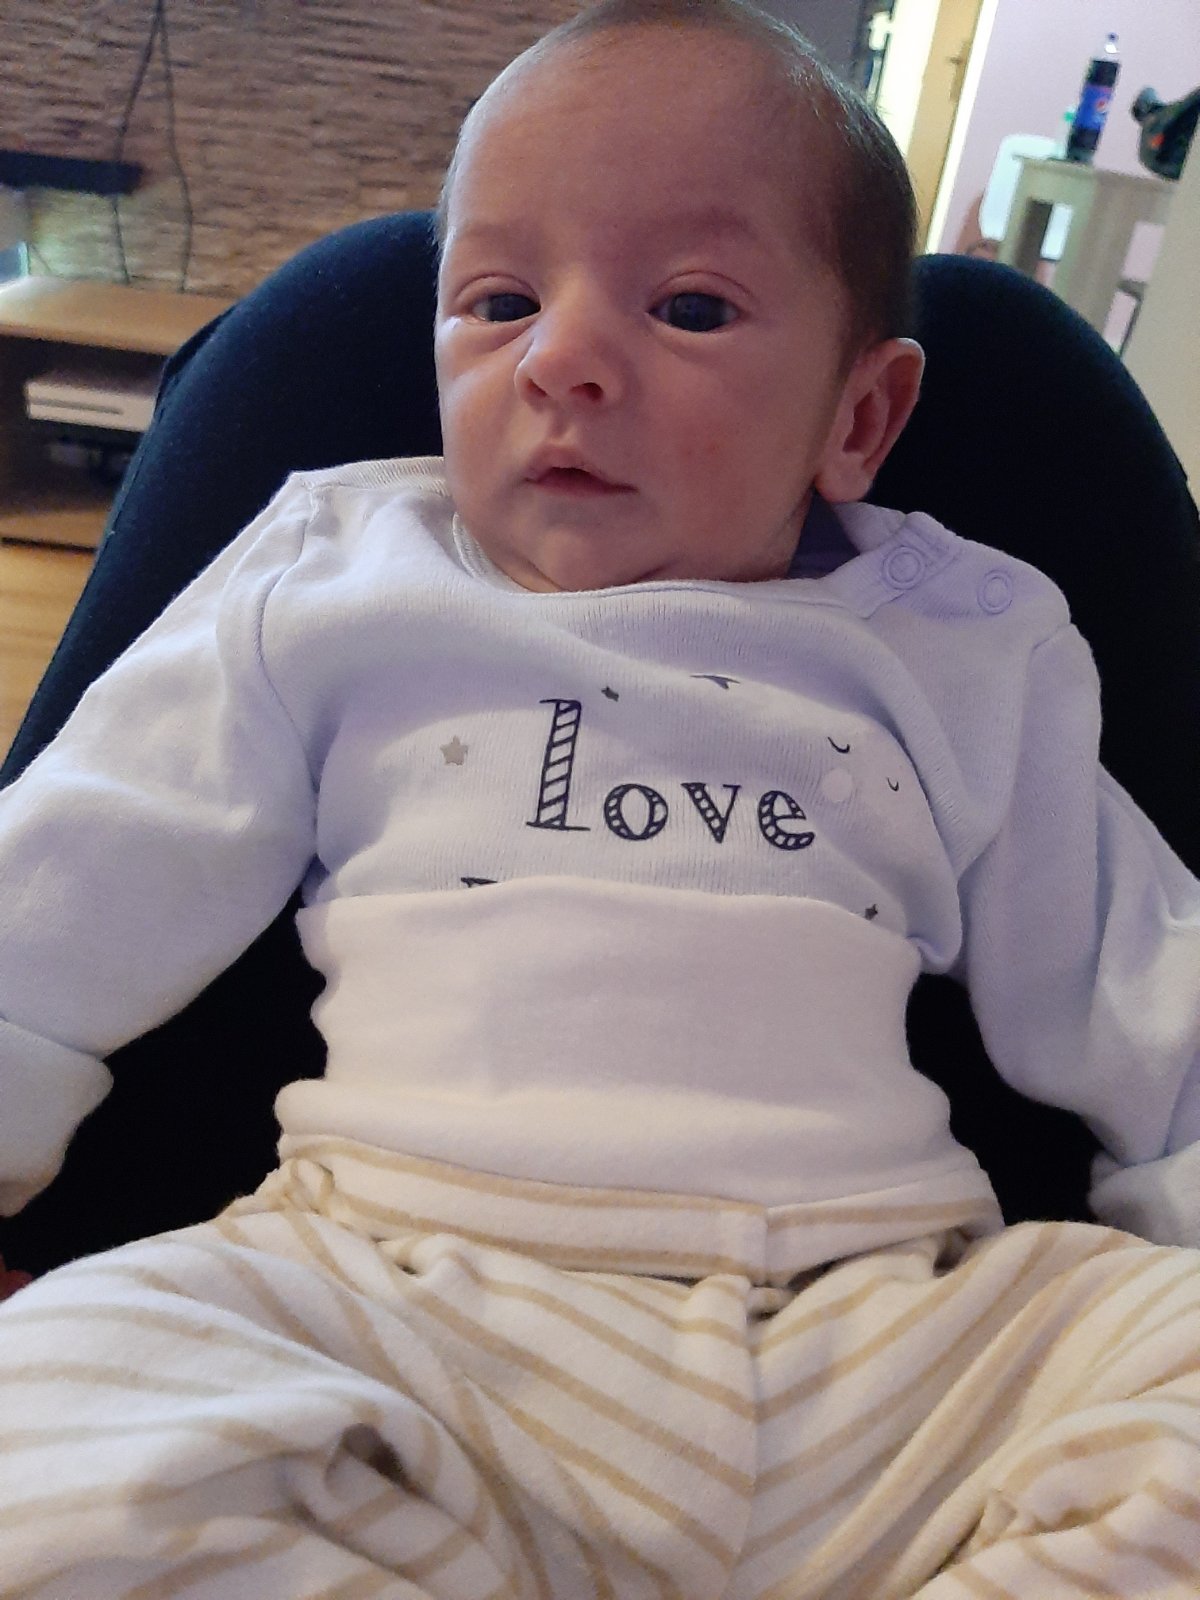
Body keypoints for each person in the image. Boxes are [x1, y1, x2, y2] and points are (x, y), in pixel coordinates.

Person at [0, 1, 1198, 1594]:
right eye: (497, 301)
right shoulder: (337, 578)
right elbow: (76, 875)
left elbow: (1143, 984)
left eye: (690, 307)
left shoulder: (967, 643)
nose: (558, 359)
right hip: (394, 1294)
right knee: (47, 1432)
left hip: (884, 1336)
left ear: (859, 418)